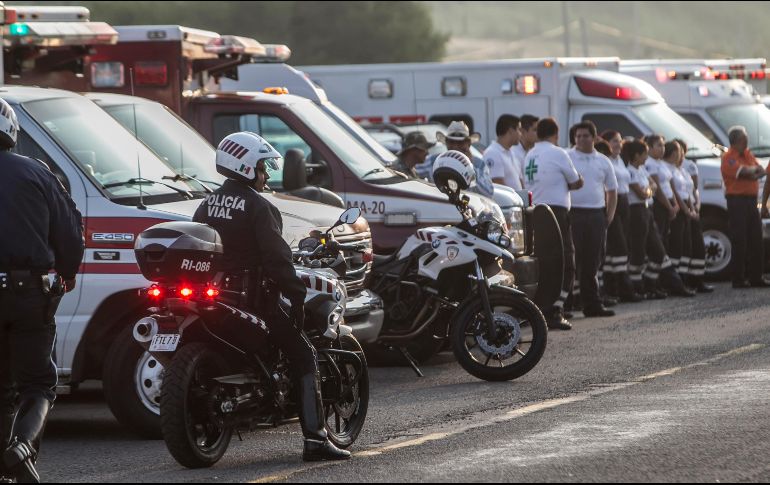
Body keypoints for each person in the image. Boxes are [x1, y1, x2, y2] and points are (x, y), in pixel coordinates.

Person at [193, 132, 351, 461]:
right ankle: (316, 439)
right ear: (246, 167)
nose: (265, 175)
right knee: (304, 354)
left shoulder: (207, 204)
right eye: (262, 168)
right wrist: (296, 296)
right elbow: (277, 261)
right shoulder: (259, 207)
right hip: (254, 300)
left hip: (215, 298)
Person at [0, 98, 85, 483]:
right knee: (37, 386)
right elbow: (70, 232)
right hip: (28, 294)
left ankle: (7, 465)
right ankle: (21, 447)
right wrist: (67, 273)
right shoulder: (36, 171)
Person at [524, 117, 584, 330]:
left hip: (535, 213)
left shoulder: (530, 154)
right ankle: (555, 309)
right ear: (556, 134)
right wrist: (580, 179)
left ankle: (540, 309)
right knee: (565, 262)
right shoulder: (558, 153)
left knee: (543, 263)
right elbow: (576, 181)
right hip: (556, 213)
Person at [568, 122, 618, 317]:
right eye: (578, 136)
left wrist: (609, 216)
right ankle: (566, 305)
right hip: (573, 214)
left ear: (594, 138)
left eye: (585, 136)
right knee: (572, 261)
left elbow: (612, 191)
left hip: (596, 215)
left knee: (592, 261)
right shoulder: (568, 157)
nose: (581, 139)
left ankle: (592, 305)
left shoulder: (603, 161)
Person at [721, 126, 770, 288]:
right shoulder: (728, 158)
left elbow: (760, 170)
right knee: (740, 239)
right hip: (737, 201)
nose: (747, 140)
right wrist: (751, 172)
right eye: (744, 138)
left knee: (756, 238)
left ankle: (756, 277)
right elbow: (744, 172)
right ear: (737, 140)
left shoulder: (748, 154)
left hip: (751, 200)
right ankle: (738, 279)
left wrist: (752, 172)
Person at [600, 130, 643, 302]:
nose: (618, 144)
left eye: (619, 141)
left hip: (625, 203)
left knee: (617, 249)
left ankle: (613, 289)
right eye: (614, 141)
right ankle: (625, 289)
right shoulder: (605, 161)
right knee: (619, 248)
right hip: (613, 204)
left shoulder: (620, 160)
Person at [625, 139, 670, 299]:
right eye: (644, 154)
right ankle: (636, 287)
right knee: (638, 251)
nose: (646, 157)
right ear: (637, 155)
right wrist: (649, 190)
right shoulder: (630, 171)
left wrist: (649, 190)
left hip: (646, 211)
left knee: (658, 252)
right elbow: (642, 194)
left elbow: (652, 186)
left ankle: (650, 283)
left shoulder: (642, 169)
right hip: (636, 212)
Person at [674, 139, 713, 293]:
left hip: (692, 209)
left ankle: (698, 279)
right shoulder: (673, 169)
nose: (680, 154)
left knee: (698, 246)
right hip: (684, 210)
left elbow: (694, 189)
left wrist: (697, 206)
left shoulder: (687, 167)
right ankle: (685, 280)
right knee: (685, 248)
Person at [663, 141, 696, 287]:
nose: (681, 154)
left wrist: (691, 208)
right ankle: (674, 281)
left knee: (685, 245)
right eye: (678, 151)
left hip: (686, 208)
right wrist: (685, 209)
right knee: (676, 245)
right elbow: (675, 192)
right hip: (679, 209)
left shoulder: (677, 169)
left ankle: (683, 278)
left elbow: (687, 192)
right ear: (673, 153)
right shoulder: (667, 168)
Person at [435, 121, 495, 198]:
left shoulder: (479, 164)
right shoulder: (435, 161)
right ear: (446, 143)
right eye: (452, 142)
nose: (455, 146)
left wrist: (470, 167)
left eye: (460, 142)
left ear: (468, 143)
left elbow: (489, 193)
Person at [644, 134, 678, 244]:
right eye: (659, 145)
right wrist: (669, 207)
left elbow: (670, 185)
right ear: (650, 147)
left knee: (666, 236)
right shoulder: (649, 163)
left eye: (663, 145)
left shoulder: (661, 163)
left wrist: (675, 203)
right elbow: (657, 189)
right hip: (660, 204)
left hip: (669, 202)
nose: (662, 148)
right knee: (659, 236)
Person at [483, 115, 524, 190]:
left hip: (517, 198)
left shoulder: (512, 153)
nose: (521, 134)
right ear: (510, 131)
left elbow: (520, 182)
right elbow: (498, 185)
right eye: (519, 130)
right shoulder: (492, 153)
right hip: (508, 198)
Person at [512, 114, 539, 183]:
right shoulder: (513, 153)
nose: (539, 134)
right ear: (523, 131)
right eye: (535, 130)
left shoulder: (535, 152)